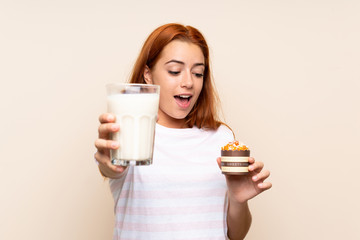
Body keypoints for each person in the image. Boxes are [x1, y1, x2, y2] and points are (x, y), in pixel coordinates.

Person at [94, 23, 272, 240]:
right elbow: (111, 168)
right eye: (175, 71)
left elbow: (236, 235)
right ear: (148, 75)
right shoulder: (130, 133)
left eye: (198, 73)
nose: (188, 82)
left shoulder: (221, 138)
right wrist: (109, 161)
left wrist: (238, 199)